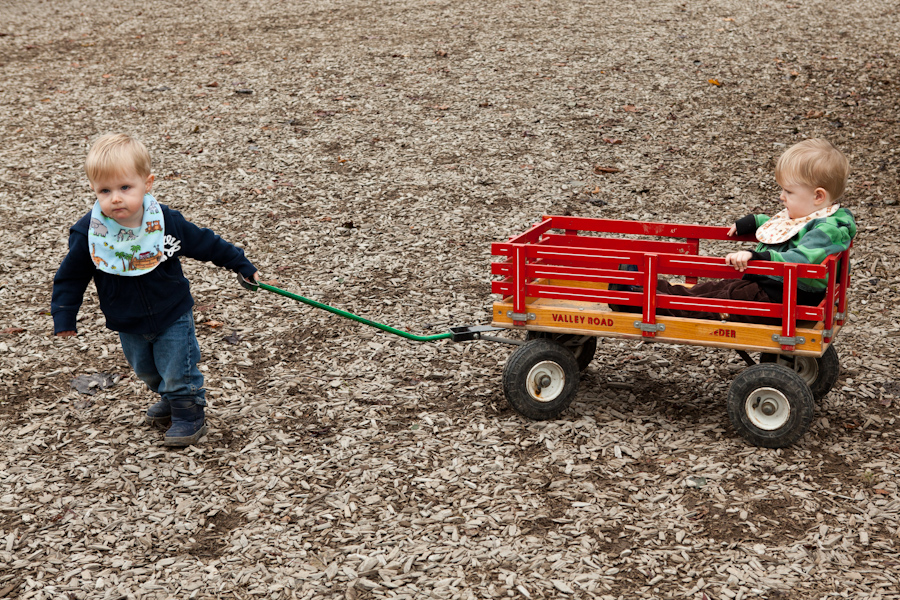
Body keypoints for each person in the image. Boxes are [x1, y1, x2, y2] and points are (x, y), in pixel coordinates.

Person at [52, 133, 259, 446]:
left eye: (125, 188)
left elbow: (205, 242)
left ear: (147, 184)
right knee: (147, 370)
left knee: (178, 368)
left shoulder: (164, 221)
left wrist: (240, 264)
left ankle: (188, 410)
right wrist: (64, 316)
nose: (115, 198)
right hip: (127, 320)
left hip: (172, 311)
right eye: (104, 191)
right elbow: (71, 277)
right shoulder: (90, 234)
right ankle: (171, 398)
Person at [611, 138, 857, 323]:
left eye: (789, 192)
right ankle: (641, 288)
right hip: (768, 290)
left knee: (706, 303)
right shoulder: (813, 215)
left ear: (818, 196)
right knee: (706, 290)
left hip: (779, 299)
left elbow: (805, 259)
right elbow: (787, 226)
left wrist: (759, 257)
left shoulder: (828, 230)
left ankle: (638, 300)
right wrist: (754, 222)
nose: (782, 197)